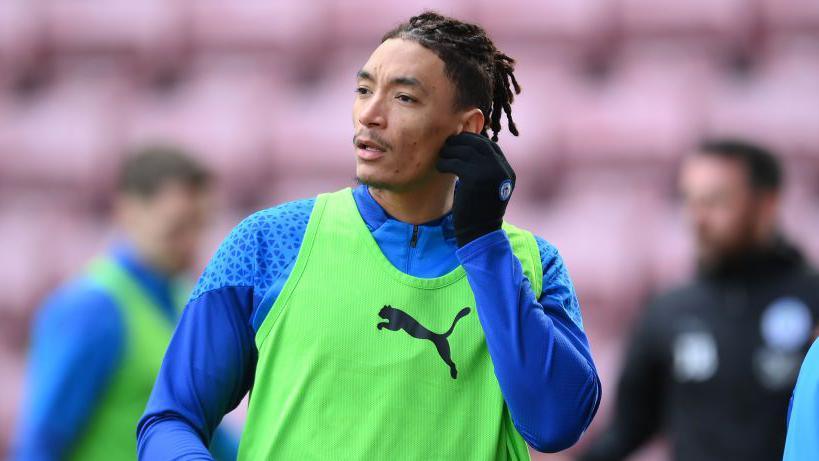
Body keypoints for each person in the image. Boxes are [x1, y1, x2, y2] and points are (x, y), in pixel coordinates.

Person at [137, 12, 601, 460]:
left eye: (404, 98)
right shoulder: (268, 242)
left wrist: (483, 243)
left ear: (467, 130)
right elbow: (170, 419)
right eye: (363, 90)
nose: (370, 114)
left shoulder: (533, 263)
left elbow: (554, 424)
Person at [578, 140, 819, 461]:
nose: (697, 218)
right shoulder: (667, 311)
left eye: (716, 201)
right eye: (690, 200)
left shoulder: (813, 299)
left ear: (766, 204)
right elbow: (628, 429)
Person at [13, 147, 237, 460]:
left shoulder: (183, 297)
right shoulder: (91, 309)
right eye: (177, 226)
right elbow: (43, 439)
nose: (191, 242)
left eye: (200, 225)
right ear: (128, 211)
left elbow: (205, 430)